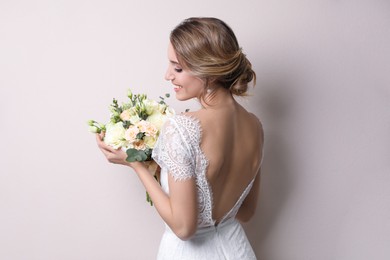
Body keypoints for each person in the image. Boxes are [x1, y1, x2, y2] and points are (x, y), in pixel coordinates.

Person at [96, 17, 264, 260]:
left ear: (209, 70)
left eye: (178, 68)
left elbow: (184, 228)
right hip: (237, 250)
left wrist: (135, 164)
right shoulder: (255, 126)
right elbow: (246, 212)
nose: (168, 75)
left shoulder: (182, 127)